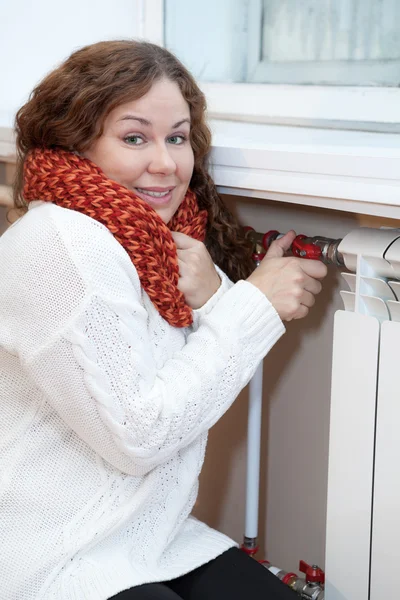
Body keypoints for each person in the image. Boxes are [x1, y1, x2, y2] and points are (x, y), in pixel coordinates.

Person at [0, 40, 327, 600]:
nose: (166, 163)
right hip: (51, 554)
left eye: (177, 137)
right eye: (134, 138)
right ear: (77, 144)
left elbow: (196, 385)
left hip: (152, 537)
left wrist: (215, 296)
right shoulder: (63, 243)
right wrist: (254, 305)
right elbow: (139, 436)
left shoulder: (151, 242)